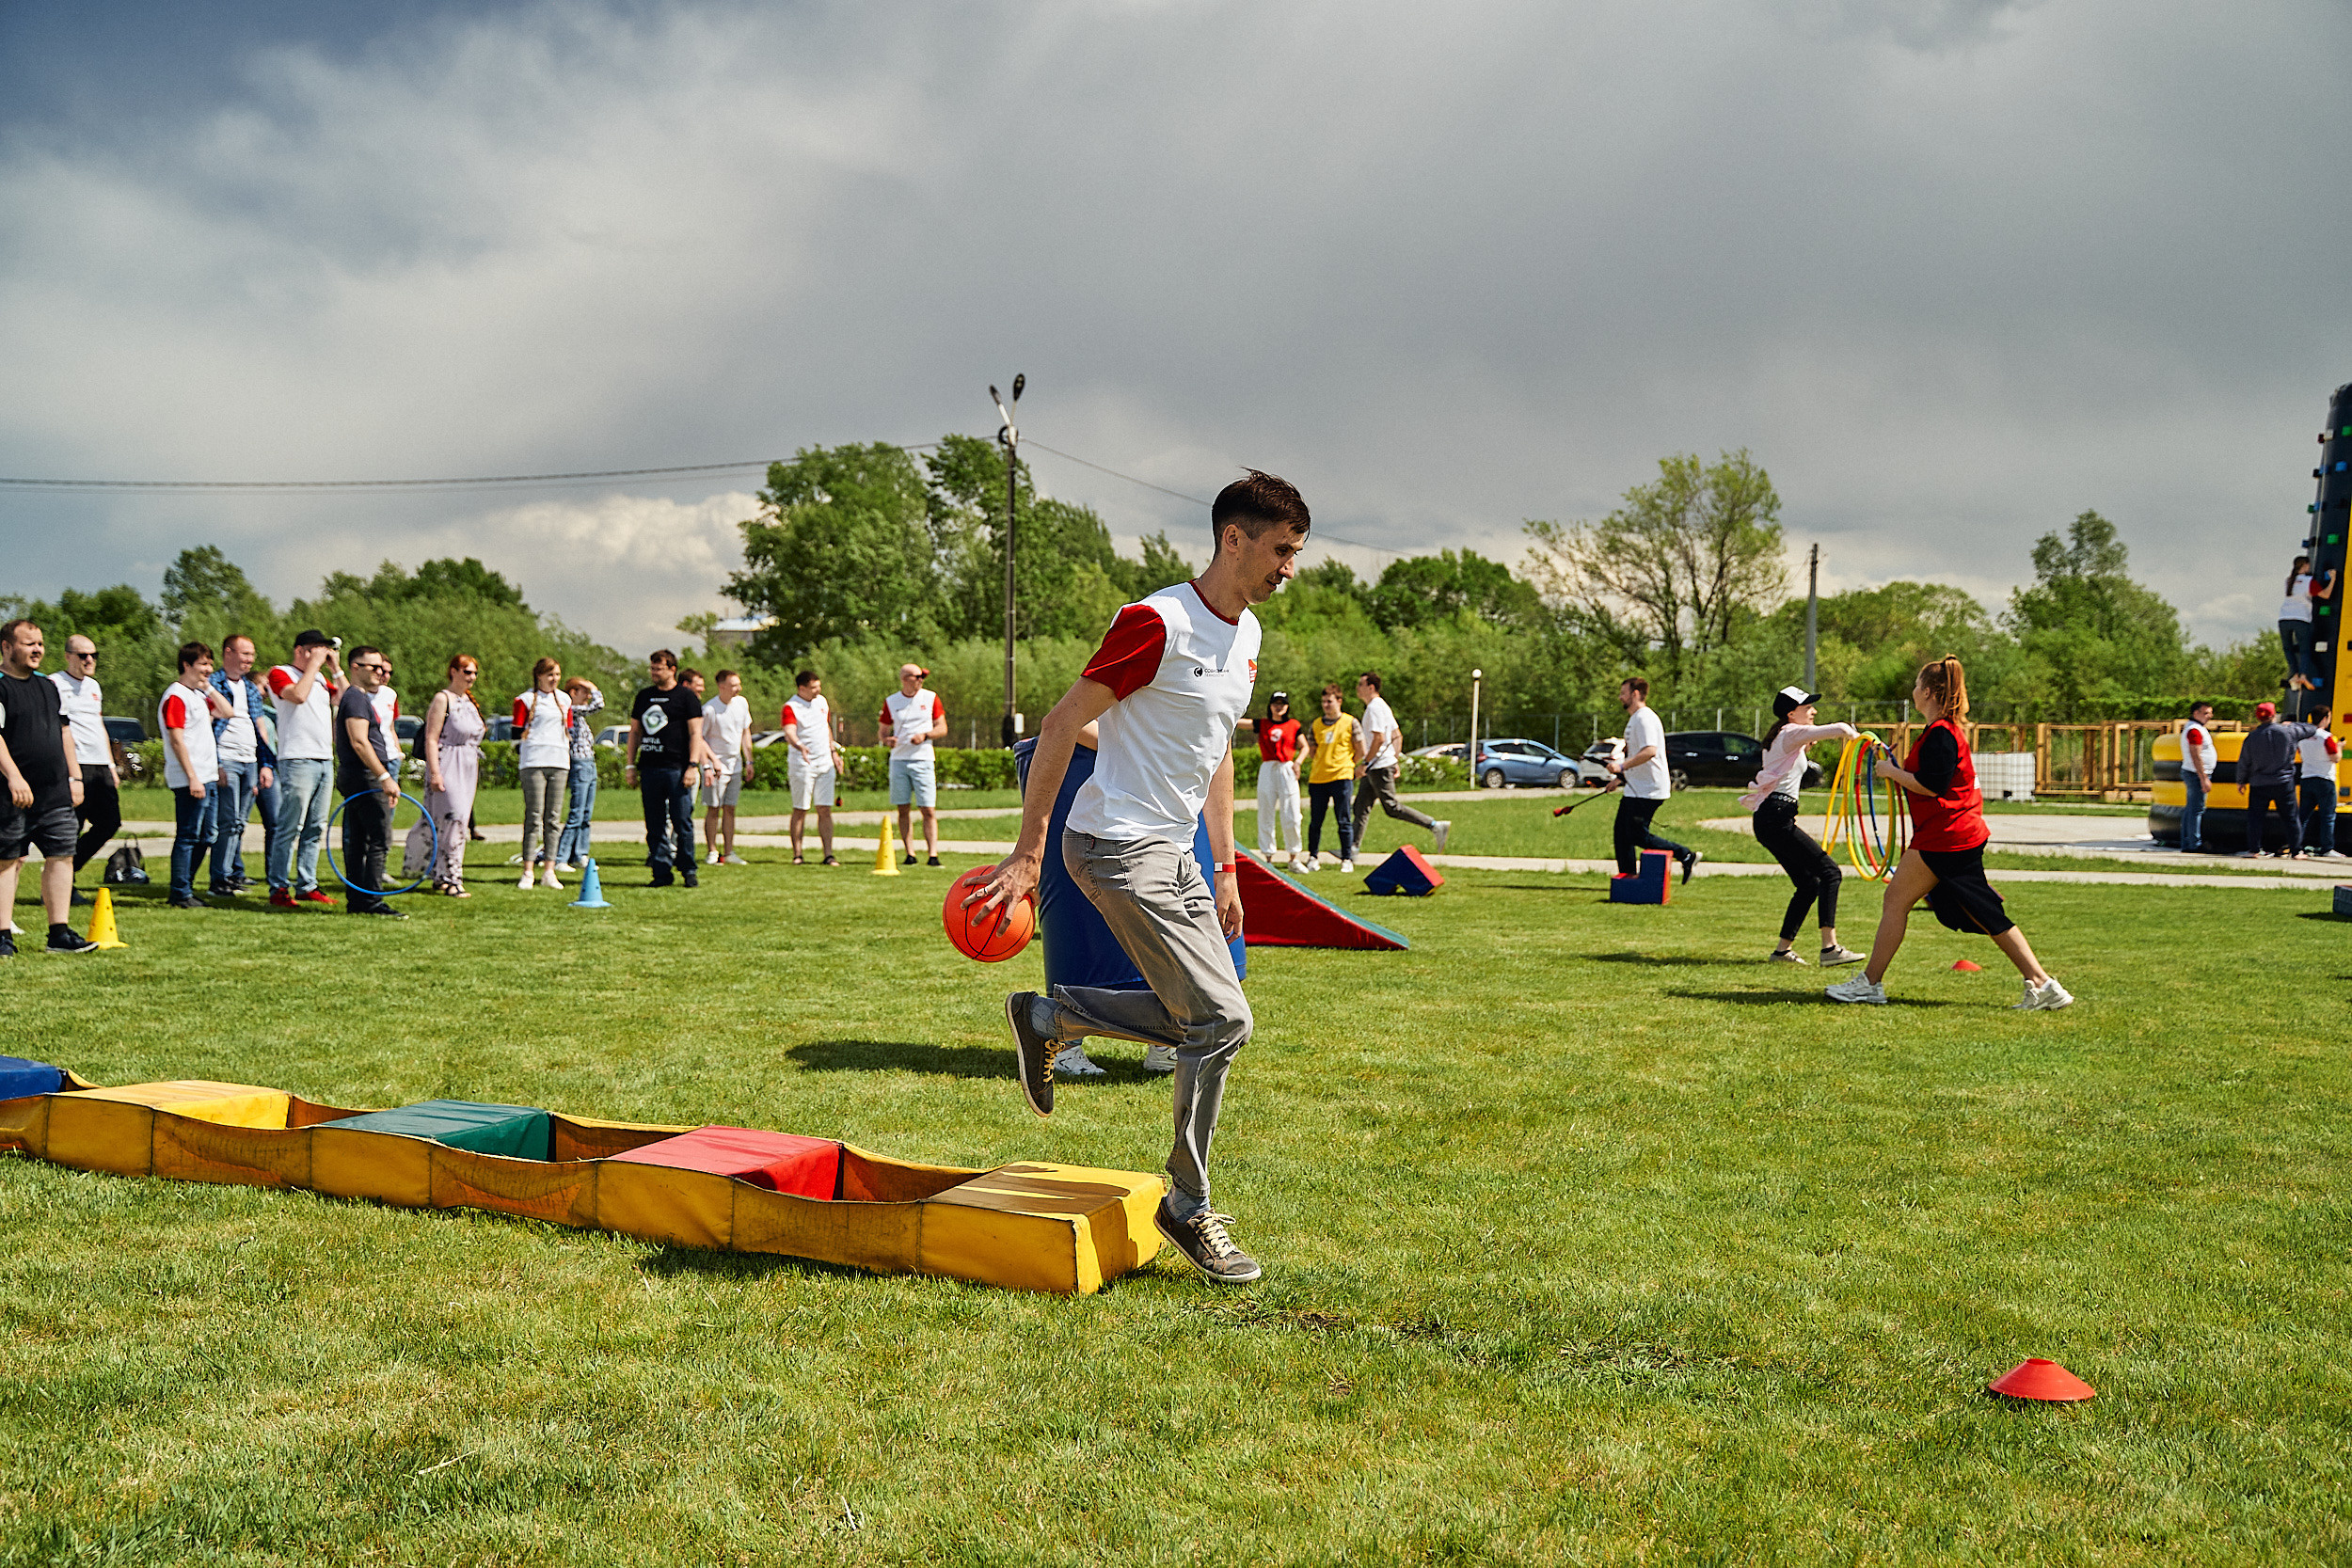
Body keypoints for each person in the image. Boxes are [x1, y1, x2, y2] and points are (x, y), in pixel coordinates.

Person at [976, 468, 1310, 1285]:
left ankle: (1052, 1017)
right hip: (1113, 844)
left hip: (1180, 852)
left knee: (1202, 1019)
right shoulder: (1156, 623)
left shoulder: (1248, 638)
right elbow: (1061, 723)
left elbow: (1217, 749)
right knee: (1224, 1021)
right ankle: (1187, 1206)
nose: (1288, 569)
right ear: (1234, 538)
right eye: (1280, 550)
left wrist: (1226, 864)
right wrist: (1027, 852)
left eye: (1296, 553)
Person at [1827, 656, 2072, 1009]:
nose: (1912, 690)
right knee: (1983, 912)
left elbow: (1933, 786)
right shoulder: (1941, 731)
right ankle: (2042, 983)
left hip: (1946, 836)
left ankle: (1870, 983)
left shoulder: (1941, 733)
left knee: (1899, 901)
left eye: (1915, 685)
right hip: (1952, 833)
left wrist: (1890, 773)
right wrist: (1895, 767)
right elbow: (1931, 778)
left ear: (1927, 692)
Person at [1738, 687, 1864, 966]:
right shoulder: (1790, 732)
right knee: (1830, 872)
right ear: (1791, 713)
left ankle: (1782, 952)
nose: (1814, 712)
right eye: (1808, 707)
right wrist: (1855, 737)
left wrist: (1804, 748)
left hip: (1770, 817)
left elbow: (1786, 765)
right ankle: (1830, 948)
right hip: (1777, 816)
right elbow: (1840, 727)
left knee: (1809, 884)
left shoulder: (1782, 736)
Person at [0, 619, 97, 954]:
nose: (38, 649)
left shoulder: (48, 686)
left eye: (40, 643)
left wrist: (75, 777)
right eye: (29, 644)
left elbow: (64, 733)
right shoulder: (0, 686)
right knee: (7, 859)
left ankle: (59, 933)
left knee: (62, 855)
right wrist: (13, 776)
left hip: (54, 790)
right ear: (7, 647)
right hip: (12, 792)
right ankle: (2, 935)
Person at [267, 630, 344, 909]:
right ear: (300, 650)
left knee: (315, 826)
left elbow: (346, 701)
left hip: (324, 757)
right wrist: (313, 665)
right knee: (290, 826)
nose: (321, 656)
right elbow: (297, 696)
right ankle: (278, 886)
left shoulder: (322, 678)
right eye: (316, 650)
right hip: (297, 758)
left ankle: (307, 884)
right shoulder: (280, 672)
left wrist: (335, 669)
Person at [624, 649, 713, 888]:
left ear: (672, 669)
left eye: (659, 668)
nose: (654, 673)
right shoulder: (644, 696)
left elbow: (696, 733)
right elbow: (635, 732)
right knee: (654, 824)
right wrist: (631, 765)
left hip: (677, 768)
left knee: (682, 821)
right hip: (651, 769)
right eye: (652, 669)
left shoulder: (686, 697)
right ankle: (661, 871)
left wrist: (692, 766)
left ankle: (688, 869)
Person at [158, 641, 231, 910]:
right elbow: (177, 739)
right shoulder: (176, 695)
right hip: (192, 777)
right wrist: (192, 777)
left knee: (207, 835)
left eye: (210, 664)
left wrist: (209, 686)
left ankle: (185, 884)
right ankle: (179, 891)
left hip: (207, 775)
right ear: (186, 665)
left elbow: (227, 712)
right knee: (188, 834)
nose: (208, 669)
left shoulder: (198, 695)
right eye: (203, 664)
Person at [1607, 676, 1700, 884]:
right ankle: (1628, 879)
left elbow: (1650, 751)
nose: (1620, 697)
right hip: (1635, 788)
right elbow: (1637, 754)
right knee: (1622, 835)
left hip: (1648, 790)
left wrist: (1621, 766)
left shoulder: (1644, 718)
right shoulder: (1635, 719)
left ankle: (1686, 855)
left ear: (1635, 694)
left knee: (1636, 835)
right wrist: (1619, 778)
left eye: (1623, 693)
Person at [335, 646, 405, 917]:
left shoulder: (358, 697)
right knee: (379, 838)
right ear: (355, 667)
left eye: (382, 668)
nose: (380, 672)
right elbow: (359, 742)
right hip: (365, 778)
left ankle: (358, 901)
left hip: (359, 776)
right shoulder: (355, 699)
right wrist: (384, 776)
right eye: (373, 667)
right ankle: (373, 902)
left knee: (359, 842)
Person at [408, 654, 485, 896]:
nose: (471, 677)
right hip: (447, 763)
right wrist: (435, 772)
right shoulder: (443, 699)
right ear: (453, 672)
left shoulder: (470, 702)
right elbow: (431, 737)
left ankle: (441, 874)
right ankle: (453, 877)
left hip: (468, 765)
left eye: (474, 673)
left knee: (457, 821)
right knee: (454, 820)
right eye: (466, 672)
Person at [205, 633, 276, 897]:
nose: (249, 659)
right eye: (244, 654)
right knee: (227, 820)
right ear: (228, 653)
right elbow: (205, 727)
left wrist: (265, 764)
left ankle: (232, 875)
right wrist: (217, 763)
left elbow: (260, 727)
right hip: (227, 758)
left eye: (251, 655)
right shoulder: (213, 683)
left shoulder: (248, 687)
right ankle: (219, 878)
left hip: (250, 760)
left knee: (239, 823)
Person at [49, 634, 118, 900]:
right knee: (72, 826)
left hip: (100, 764)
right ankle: (61, 885)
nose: (89, 660)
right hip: (75, 765)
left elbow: (98, 724)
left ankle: (66, 870)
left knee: (110, 822)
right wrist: (67, 770)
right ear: (68, 657)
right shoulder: (55, 683)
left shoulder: (94, 686)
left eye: (93, 655)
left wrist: (111, 763)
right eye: (83, 655)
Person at [1350, 672, 1450, 856]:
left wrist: (1365, 763)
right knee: (1360, 807)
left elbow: (1379, 739)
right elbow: (1397, 735)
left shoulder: (1374, 708)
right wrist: (1395, 760)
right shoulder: (1383, 707)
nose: (1357, 688)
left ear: (1371, 687)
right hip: (1379, 765)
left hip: (1377, 766)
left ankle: (1435, 825)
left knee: (1391, 807)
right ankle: (1352, 849)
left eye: (1360, 684)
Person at [513, 657, 573, 890]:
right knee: (534, 815)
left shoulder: (565, 699)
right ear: (539, 676)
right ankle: (528, 870)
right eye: (550, 674)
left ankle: (549, 869)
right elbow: (516, 732)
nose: (554, 679)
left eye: (557, 674)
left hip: (559, 761)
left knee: (554, 818)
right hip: (534, 762)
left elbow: (568, 728)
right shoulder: (525, 699)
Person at [2237, 700, 2323, 858]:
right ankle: (2296, 851)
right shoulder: (2288, 731)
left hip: (2259, 783)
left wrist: (2241, 781)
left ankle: (2254, 850)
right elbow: (2311, 729)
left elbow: (2244, 761)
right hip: (2283, 782)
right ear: (2274, 715)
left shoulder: (2251, 737)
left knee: (2255, 818)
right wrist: (2291, 723)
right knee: (2290, 818)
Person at [880, 663, 945, 866]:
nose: (920, 680)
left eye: (922, 677)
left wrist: (925, 735)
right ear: (905, 678)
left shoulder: (931, 697)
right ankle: (910, 854)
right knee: (903, 808)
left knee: (928, 809)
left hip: (923, 759)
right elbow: (882, 731)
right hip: (899, 760)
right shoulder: (891, 701)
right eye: (917, 677)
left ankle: (932, 854)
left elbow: (942, 727)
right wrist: (887, 740)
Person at [783, 670, 843, 866]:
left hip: (824, 761)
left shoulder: (821, 702)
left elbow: (826, 727)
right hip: (803, 763)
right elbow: (789, 731)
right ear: (802, 688)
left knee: (825, 809)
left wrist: (833, 752)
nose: (818, 690)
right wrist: (799, 745)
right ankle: (798, 854)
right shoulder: (791, 707)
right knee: (801, 809)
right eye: (813, 687)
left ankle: (828, 854)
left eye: (819, 686)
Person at [1302, 684, 1363, 873]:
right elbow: (1312, 751)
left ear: (1339, 701)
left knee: (1343, 819)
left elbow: (1360, 749)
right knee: (1316, 821)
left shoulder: (1350, 722)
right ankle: (1313, 857)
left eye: (1329, 701)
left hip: (1342, 775)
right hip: (1318, 778)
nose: (1326, 705)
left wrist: (1351, 766)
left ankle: (1347, 858)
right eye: (1323, 702)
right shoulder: (1316, 724)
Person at [702, 668, 755, 865]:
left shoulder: (741, 703)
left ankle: (730, 851)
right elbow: (700, 738)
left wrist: (749, 759)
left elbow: (745, 732)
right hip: (716, 767)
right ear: (721, 686)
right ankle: (712, 851)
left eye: (738, 685)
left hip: (736, 765)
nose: (738, 689)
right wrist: (712, 761)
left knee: (730, 808)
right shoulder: (709, 709)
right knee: (714, 809)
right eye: (733, 685)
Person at [554, 676, 605, 870]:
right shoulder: (570, 710)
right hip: (580, 764)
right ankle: (561, 857)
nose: (589, 696)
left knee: (586, 813)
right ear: (573, 693)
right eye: (585, 692)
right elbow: (598, 705)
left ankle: (579, 853)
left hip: (589, 763)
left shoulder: (579, 715)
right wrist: (594, 685)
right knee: (576, 813)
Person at [1249, 691, 1304, 867]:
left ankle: (1294, 856)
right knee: (1266, 812)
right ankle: (1268, 856)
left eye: (1282, 703)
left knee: (1292, 813)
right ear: (1270, 705)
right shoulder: (1262, 724)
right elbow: (1238, 721)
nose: (1279, 707)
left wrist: (1298, 762)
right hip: (1268, 768)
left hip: (1286, 767)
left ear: (1287, 706)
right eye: (1275, 703)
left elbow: (1305, 747)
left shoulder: (1294, 725)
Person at [2279, 556, 2338, 691]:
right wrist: (2333, 578)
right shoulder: (2309, 581)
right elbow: (2326, 595)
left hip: (2284, 619)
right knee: (2305, 650)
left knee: (2288, 649)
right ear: (2305, 565)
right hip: (2301, 619)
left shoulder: (2288, 581)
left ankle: (2294, 674)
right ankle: (2303, 675)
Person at [2296, 717, 2341, 859]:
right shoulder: (2327, 737)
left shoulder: (2303, 737)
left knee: (2303, 816)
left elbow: (2299, 753)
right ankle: (2327, 847)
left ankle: (2296, 846)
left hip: (2307, 778)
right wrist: (2340, 746)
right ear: (2325, 718)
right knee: (2327, 816)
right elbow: (2335, 758)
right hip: (2324, 779)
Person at [2177, 700, 2217, 853]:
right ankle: (2194, 843)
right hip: (2196, 773)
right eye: (2206, 713)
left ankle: (2188, 842)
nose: (2210, 716)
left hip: (2195, 772)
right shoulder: (2194, 730)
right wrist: (2203, 778)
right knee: (2196, 810)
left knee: (2191, 809)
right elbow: (2196, 754)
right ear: (2196, 713)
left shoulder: (2196, 728)